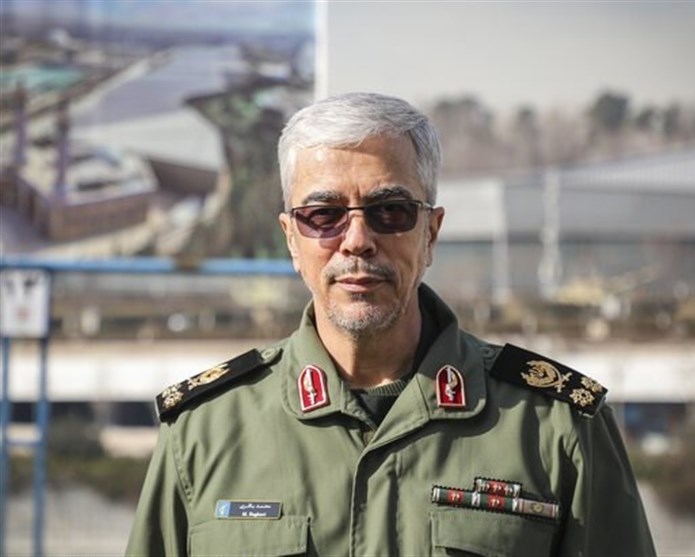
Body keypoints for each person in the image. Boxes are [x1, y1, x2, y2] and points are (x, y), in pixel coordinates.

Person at [126, 92, 655, 556]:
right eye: (323, 215)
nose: (357, 240)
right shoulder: (202, 432)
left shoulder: (556, 427)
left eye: (391, 211)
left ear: (431, 232)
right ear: (290, 238)